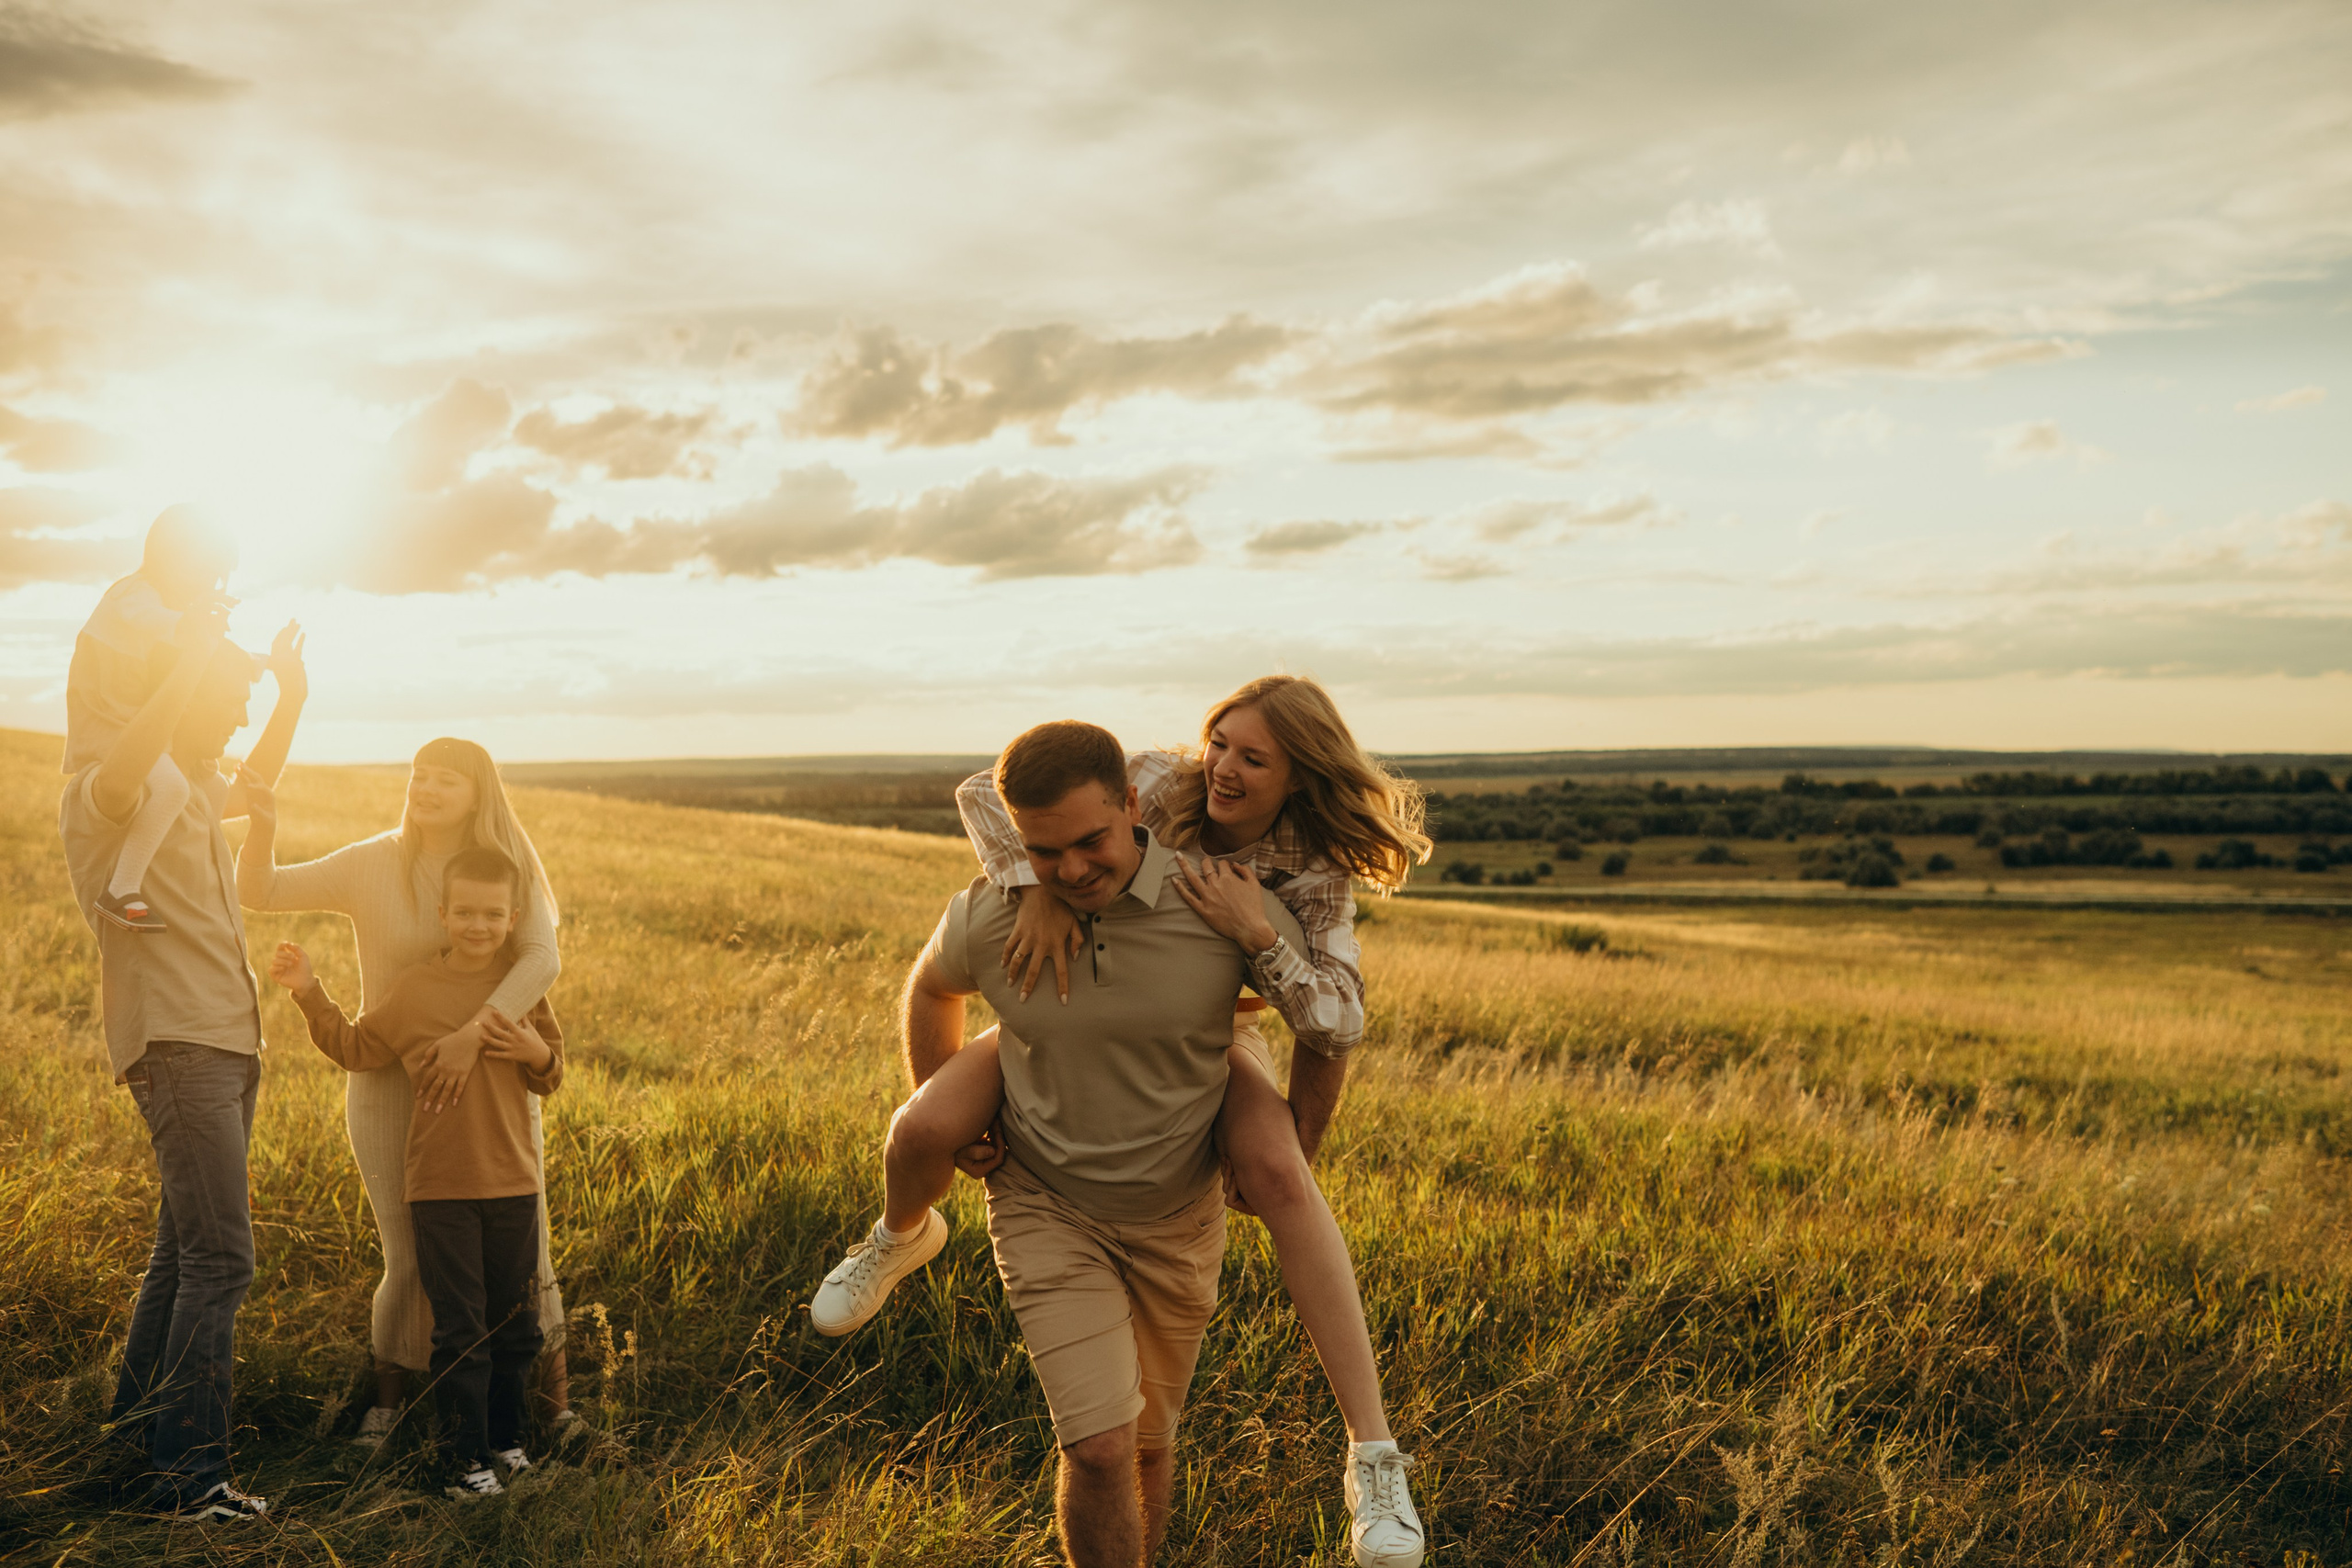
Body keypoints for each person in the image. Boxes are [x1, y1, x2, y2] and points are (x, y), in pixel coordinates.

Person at [817, 678, 1430, 1568]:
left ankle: (1372, 1456)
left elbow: (1334, 1027)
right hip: (1070, 1064)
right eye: (1218, 741)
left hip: (1212, 1032)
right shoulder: (1157, 780)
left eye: (1252, 758)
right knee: (921, 1127)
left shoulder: (1311, 870)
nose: (1221, 766)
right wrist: (1028, 881)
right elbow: (992, 794)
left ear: (1297, 775)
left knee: (1278, 1174)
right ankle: (898, 1233)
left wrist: (1255, 936)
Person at [238, 736, 573, 1446]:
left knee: (527, 1256)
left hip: (494, 1098)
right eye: (420, 774)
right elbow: (261, 891)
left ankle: (555, 1412)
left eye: (446, 779)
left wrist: (475, 1033)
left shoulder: (505, 863)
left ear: (478, 790)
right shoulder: (371, 861)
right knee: (413, 1256)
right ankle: (393, 1404)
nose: (426, 787)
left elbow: (542, 958)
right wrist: (263, 826)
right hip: (388, 1092)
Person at [57, 597, 302, 1522]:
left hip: (229, 1046)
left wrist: (290, 695)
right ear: (186, 687)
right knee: (222, 1262)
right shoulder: (113, 787)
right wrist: (189, 663)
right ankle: (189, 1480)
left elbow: (261, 785)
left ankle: (136, 1448)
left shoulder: (195, 788)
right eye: (232, 695)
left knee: (180, 1256)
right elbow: (136, 759)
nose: (240, 713)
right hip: (179, 1045)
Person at [268, 847, 565, 1501]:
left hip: (515, 1182)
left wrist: (534, 1049)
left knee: (517, 1323)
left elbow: (553, 1069)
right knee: (461, 1328)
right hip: (441, 1189)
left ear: (513, 916)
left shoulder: (523, 985)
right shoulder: (416, 989)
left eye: (493, 913)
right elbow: (355, 1047)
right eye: (465, 911)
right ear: (443, 914)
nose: (479, 924)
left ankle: (508, 1440)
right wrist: (309, 991)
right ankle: (465, 1461)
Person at [62, 505, 263, 933]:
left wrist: (254, 660)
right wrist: (191, 625)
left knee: (179, 785)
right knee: (170, 787)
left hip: (132, 715)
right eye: (202, 570)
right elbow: (157, 626)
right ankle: (121, 890)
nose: (205, 584)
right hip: (110, 715)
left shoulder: (167, 608)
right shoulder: (133, 594)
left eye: (214, 577)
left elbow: (197, 655)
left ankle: (125, 888)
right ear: (168, 555)